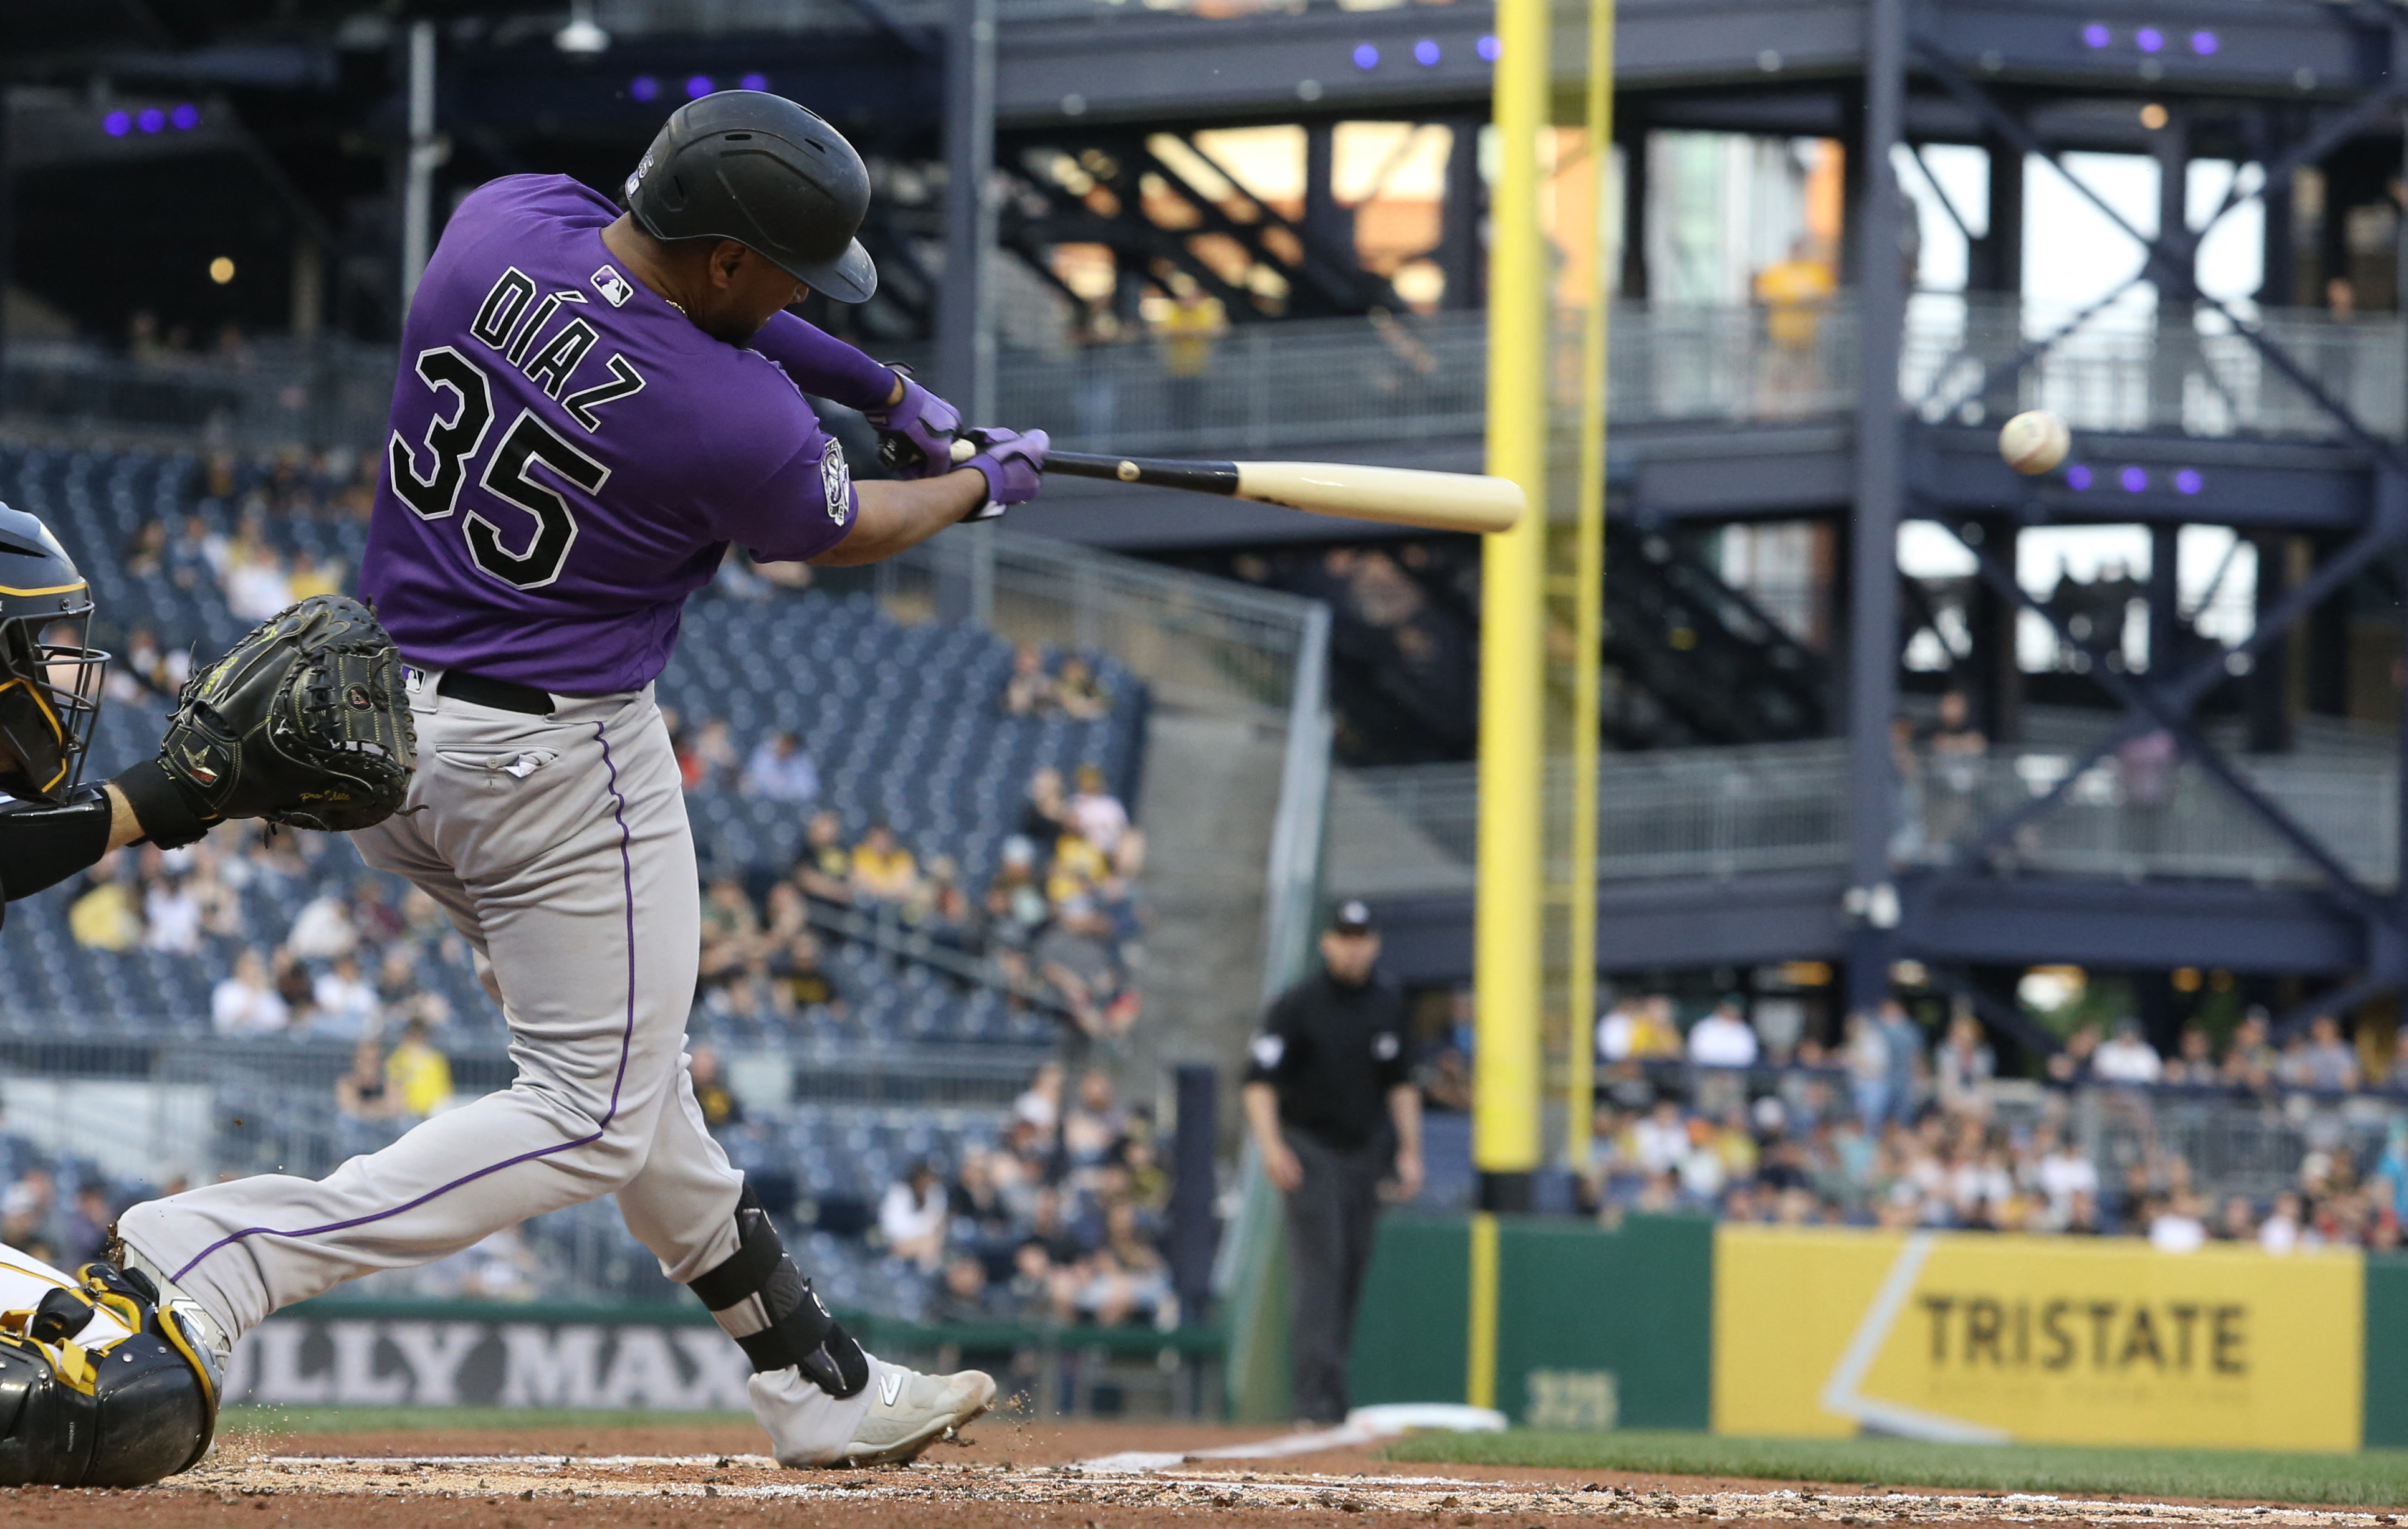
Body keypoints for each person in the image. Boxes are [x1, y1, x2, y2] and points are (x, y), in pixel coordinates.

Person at [108, 91, 1042, 1470]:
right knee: (596, 1113)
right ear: (727, 260)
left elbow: (712, 316)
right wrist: (979, 484)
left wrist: (887, 391)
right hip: (553, 767)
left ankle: (812, 1380)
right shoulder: (734, 419)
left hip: (372, 734)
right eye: (789, 270)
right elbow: (851, 523)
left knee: (631, 1072)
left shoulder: (500, 223)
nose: (805, 294)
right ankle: (223, 1248)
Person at [1242, 900, 1422, 1426]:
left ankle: (1333, 1394)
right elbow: (1259, 1081)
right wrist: (1273, 1147)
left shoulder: (1388, 1002)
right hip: (1310, 1149)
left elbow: (1402, 1084)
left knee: (1351, 1268)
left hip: (1365, 1152)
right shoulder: (1298, 1003)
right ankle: (1314, 1400)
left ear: (1375, 942)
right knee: (1321, 1269)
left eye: (1362, 935)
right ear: (1327, 942)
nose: (1353, 945)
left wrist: (1411, 1151)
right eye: (1345, 935)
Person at [741, 730, 821, 804]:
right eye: (784, 743)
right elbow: (754, 779)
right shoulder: (765, 753)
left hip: (790, 806)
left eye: (789, 745)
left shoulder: (802, 761)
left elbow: (808, 790)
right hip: (763, 800)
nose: (785, 748)